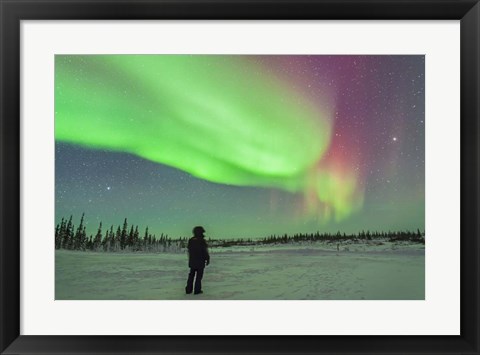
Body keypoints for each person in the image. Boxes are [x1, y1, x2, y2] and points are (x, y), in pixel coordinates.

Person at [185, 226, 210, 295]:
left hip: (193, 261)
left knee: (191, 275)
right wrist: (207, 259)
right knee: (198, 277)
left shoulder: (191, 240)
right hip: (200, 262)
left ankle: (188, 290)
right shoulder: (202, 241)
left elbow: (189, 251)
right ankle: (197, 290)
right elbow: (204, 251)